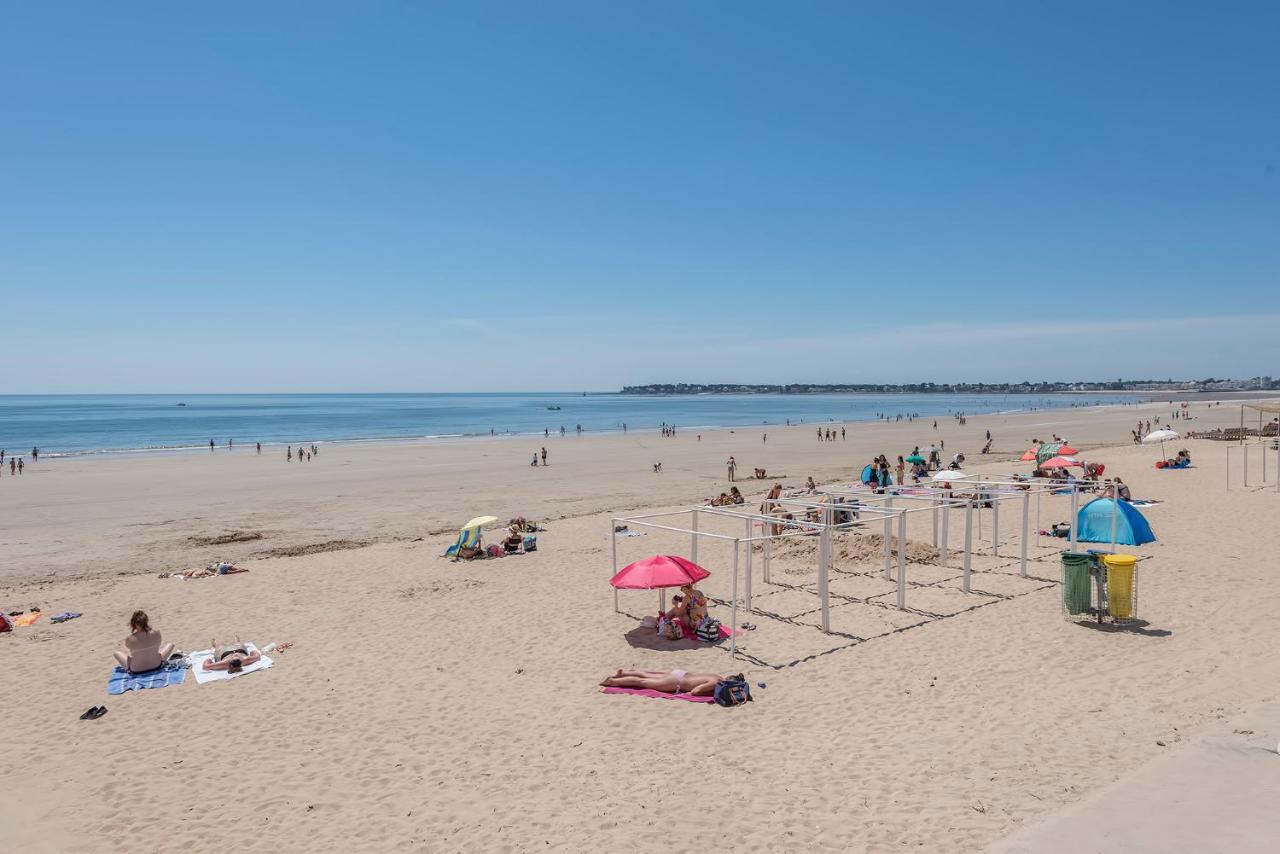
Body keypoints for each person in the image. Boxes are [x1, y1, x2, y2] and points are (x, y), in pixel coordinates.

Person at [600, 669, 722, 696]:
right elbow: (695, 691)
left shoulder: (718, 676)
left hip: (681, 673)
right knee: (642, 682)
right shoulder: (715, 682)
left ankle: (624, 673)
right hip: (677, 682)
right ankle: (613, 681)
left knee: (647, 675)